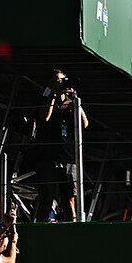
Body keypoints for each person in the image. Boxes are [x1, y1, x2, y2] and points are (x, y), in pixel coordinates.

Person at [34, 69, 88, 222]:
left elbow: (84, 123)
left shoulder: (71, 104)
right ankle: (41, 229)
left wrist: (74, 98)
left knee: (69, 199)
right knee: (46, 198)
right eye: (57, 81)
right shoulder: (45, 100)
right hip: (48, 157)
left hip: (68, 157)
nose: (61, 84)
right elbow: (45, 117)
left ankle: (71, 228)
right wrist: (53, 94)